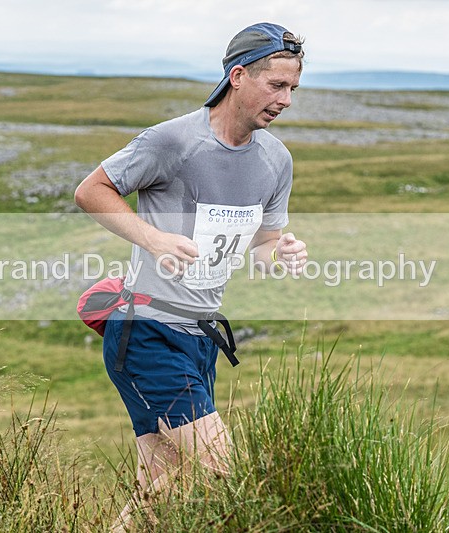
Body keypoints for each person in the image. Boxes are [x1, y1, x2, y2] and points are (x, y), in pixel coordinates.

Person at [74, 21, 308, 526]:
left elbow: (262, 247)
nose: (286, 99)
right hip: (147, 331)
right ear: (239, 76)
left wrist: (281, 253)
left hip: (201, 338)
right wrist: (152, 238)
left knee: (160, 487)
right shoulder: (172, 142)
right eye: (277, 85)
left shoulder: (276, 160)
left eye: (293, 88)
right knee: (225, 471)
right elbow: (91, 190)